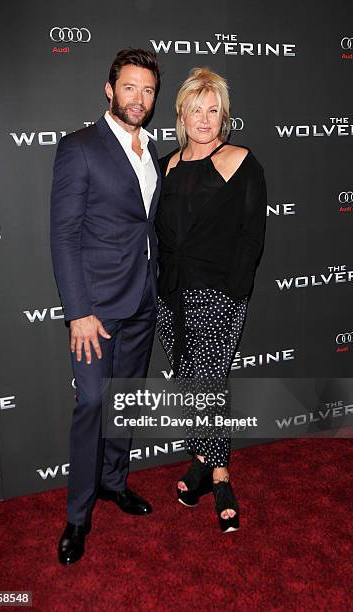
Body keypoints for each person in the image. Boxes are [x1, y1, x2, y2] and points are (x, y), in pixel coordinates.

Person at [50, 48, 161, 564]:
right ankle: (77, 516)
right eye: (130, 87)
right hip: (96, 307)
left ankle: (115, 482)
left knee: (125, 401)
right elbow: (64, 234)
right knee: (93, 403)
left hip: (142, 298)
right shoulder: (80, 147)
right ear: (109, 89)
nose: (139, 98)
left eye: (149, 90)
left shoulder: (153, 149)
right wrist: (78, 311)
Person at [155, 67, 267, 533]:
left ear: (224, 116)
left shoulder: (242, 161)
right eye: (196, 108)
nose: (205, 118)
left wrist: (232, 295)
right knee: (188, 385)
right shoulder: (165, 165)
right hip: (170, 295)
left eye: (213, 109)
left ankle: (220, 476)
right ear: (181, 112)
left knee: (209, 388)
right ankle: (202, 462)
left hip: (217, 294)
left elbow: (251, 235)